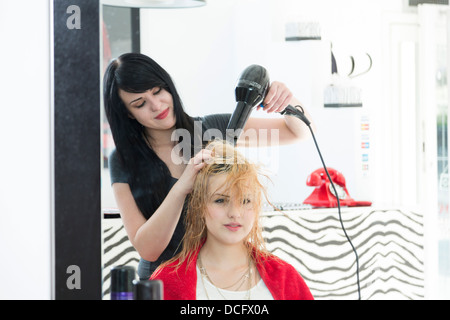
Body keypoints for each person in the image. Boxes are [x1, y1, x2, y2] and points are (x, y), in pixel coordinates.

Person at [103, 52, 314, 280]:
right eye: (140, 103)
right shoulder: (123, 160)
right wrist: (183, 185)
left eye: (157, 91)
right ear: (128, 113)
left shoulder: (212, 131)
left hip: (219, 281)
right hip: (161, 284)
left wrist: (286, 100)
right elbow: (148, 249)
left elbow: (298, 131)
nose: (156, 105)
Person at [150, 140, 313, 300]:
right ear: (200, 206)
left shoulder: (285, 277)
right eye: (220, 201)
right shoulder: (168, 281)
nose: (235, 213)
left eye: (245, 201)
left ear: (256, 206)